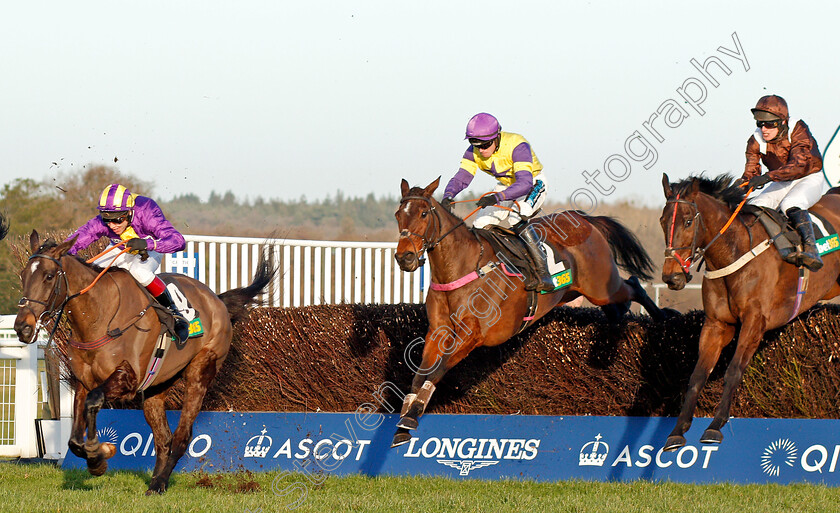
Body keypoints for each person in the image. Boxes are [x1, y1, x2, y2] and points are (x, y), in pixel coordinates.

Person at [441, 112, 554, 292]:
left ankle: (543, 272)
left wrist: (497, 197)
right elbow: (463, 177)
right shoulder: (474, 152)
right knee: (480, 224)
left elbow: (524, 184)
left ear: (497, 137)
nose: (481, 150)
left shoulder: (518, 145)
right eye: (475, 144)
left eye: (485, 145)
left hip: (532, 183)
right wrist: (448, 196)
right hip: (505, 186)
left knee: (516, 217)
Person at [65, 184, 190, 342]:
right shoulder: (107, 220)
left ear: (130, 212)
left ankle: (174, 313)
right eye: (107, 220)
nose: (112, 225)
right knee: (93, 273)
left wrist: (147, 244)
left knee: (140, 272)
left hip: (150, 248)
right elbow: (83, 234)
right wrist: (61, 251)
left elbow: (178, 241)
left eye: (117, 219)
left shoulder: (146, 210)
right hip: (121, 246)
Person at [741, 95, 825, 271]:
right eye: (760, 123)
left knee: (791, 203)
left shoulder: (797, 128)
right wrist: (739, 186)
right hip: (781, 180)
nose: (764, 128)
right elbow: (751, 172)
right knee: (756, 206)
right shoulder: (755, 140)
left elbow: (799, 166)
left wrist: (768, 177)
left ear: (782, 123)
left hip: (809, 177)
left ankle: (811, 249)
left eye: (769, 124)